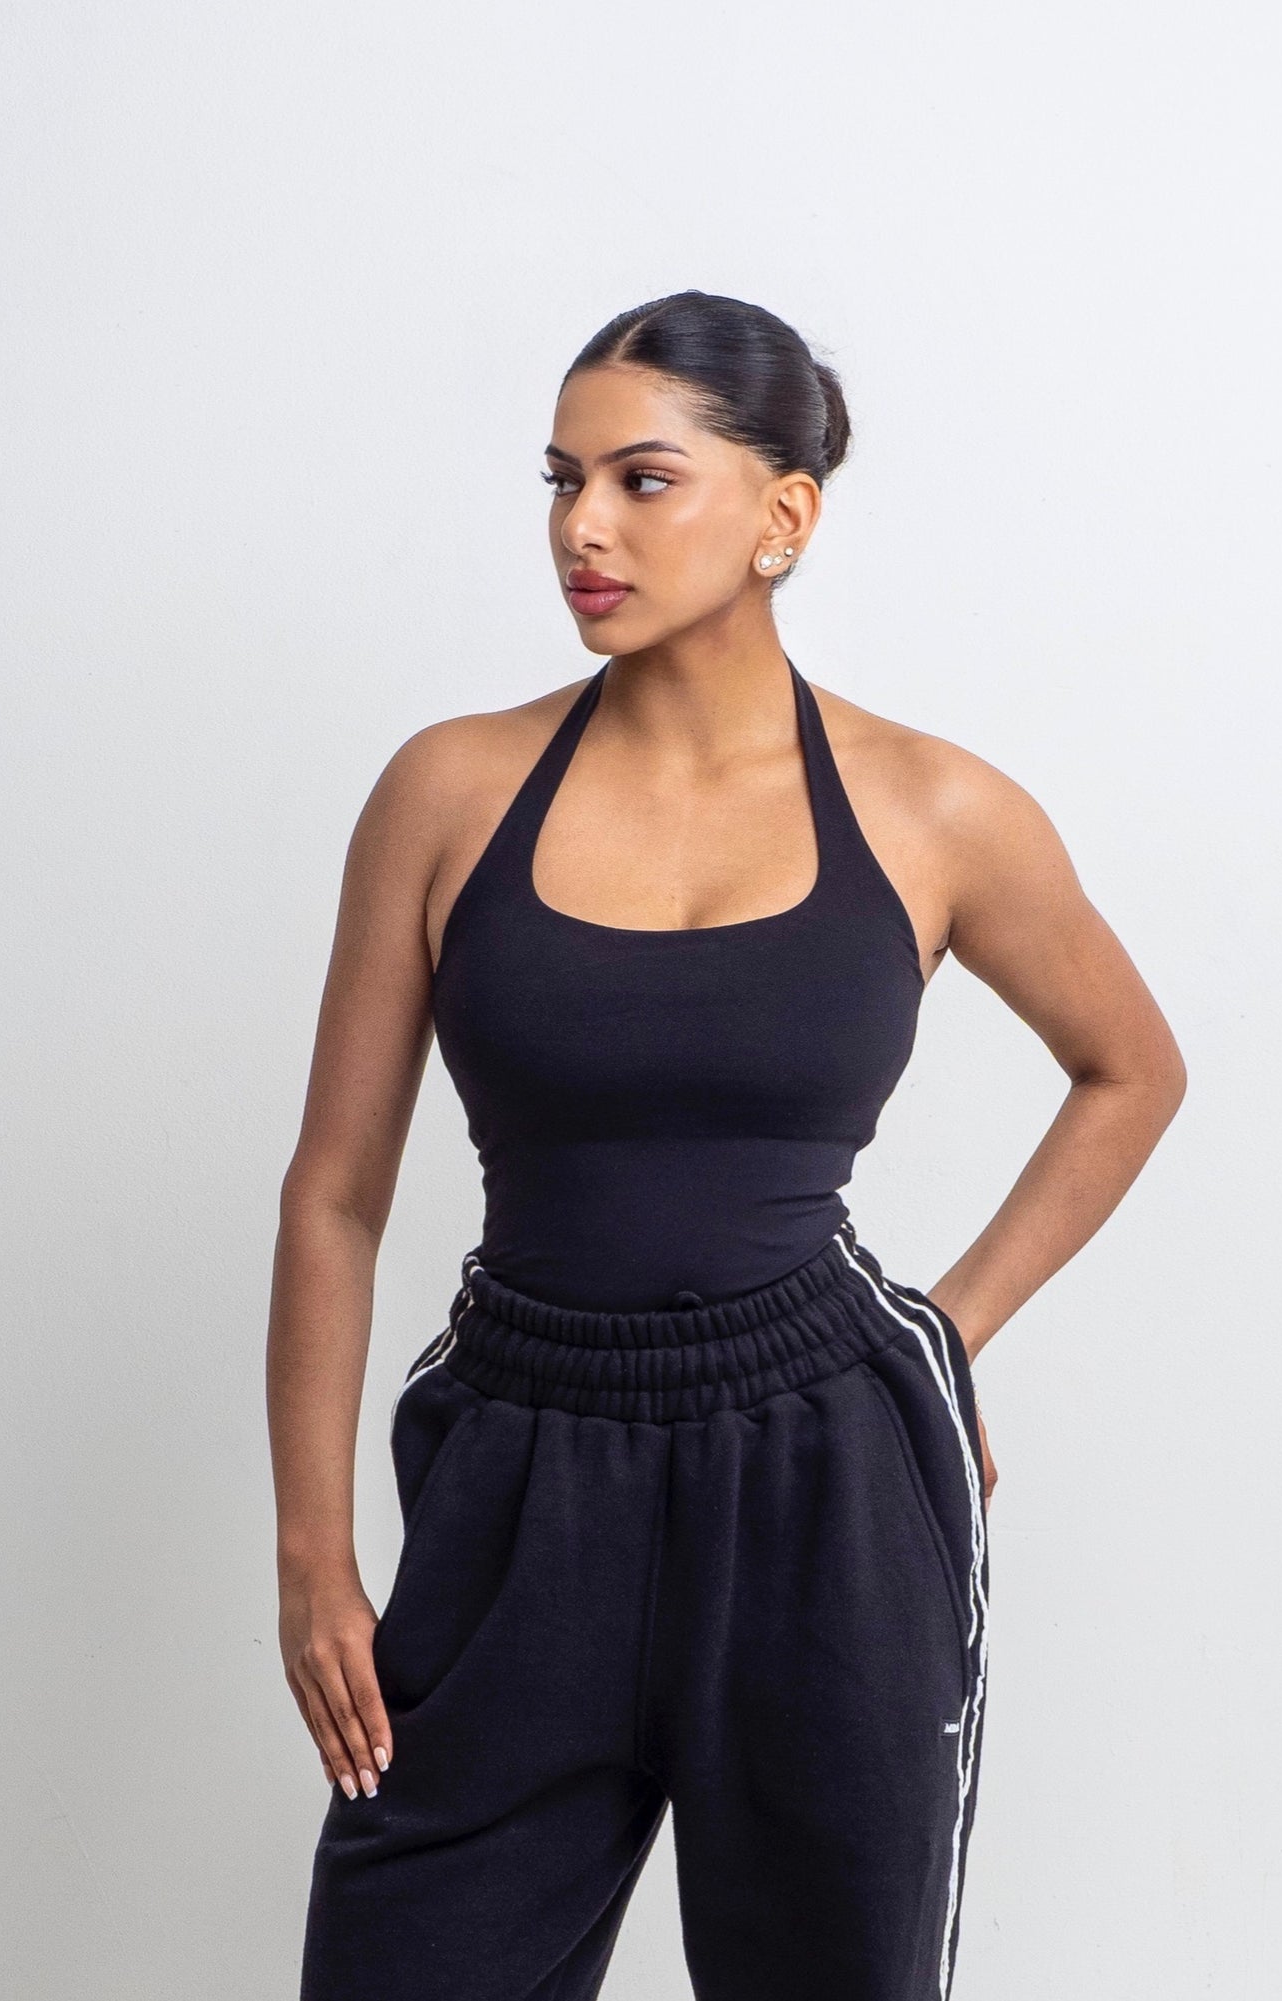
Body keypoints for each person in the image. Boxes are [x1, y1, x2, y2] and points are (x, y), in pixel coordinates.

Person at [269, 289, 1186, 2001]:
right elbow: (334, 1193)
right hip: (521, 1465)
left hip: (830, 1478)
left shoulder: (932, 807)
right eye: (561, 480)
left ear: (785, 513)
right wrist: (314, 1553)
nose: (582, 528)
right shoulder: (449, 792)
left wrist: (943, 1336)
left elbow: (1130, 1068)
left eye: (642, 480)